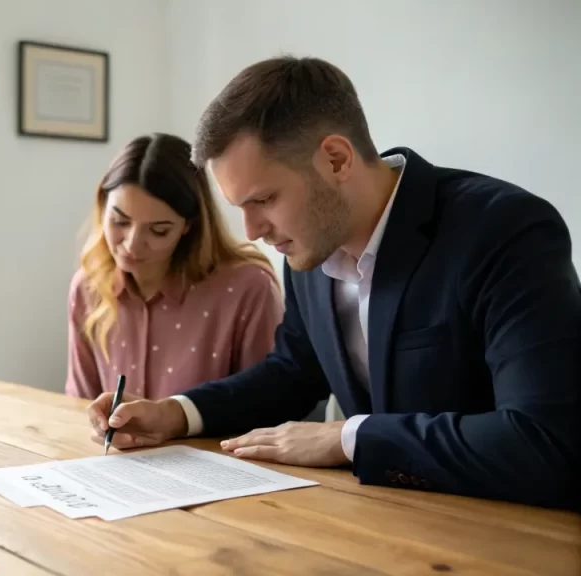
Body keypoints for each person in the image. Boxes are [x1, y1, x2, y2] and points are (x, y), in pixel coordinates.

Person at [86, 56, 581, 511]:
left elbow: (545, 442)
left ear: (337, 159)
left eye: (263, 200)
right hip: (380, 522)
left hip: (513, 531)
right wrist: (175, 413)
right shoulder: (307, 247)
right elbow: (292, 372)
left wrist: (349, 438)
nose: (251, 232)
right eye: (239, 208)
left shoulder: (504, 230)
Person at [66, 132, 283, 400]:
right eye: (120, 222)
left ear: (188, 226)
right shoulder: (89, 287)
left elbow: (266, 408)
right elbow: (78, 406)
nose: (133, 245)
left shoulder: (247, 290)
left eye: (158, 230)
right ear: (102, 207)